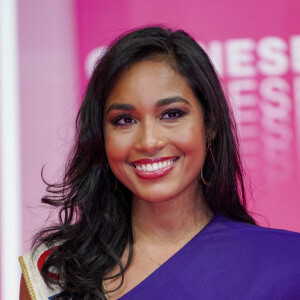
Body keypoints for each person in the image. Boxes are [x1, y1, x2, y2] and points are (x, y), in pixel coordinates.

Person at [19, 26, 300, 300]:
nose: (149, 142)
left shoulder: (286, 265)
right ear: (101, 137)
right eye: (124, 120)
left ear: (210, 124)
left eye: (172, 114)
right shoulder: (55, 273)